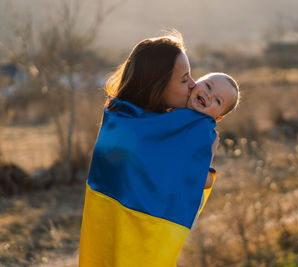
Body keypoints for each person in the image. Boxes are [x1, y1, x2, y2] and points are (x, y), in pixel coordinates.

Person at [79, 33, 238, 267]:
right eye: (185, 79)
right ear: (158, 82)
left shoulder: (122, 116)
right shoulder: (129, 125)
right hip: (114, 235)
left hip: (142, 248)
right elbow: (191, 178)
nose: (194, 85)